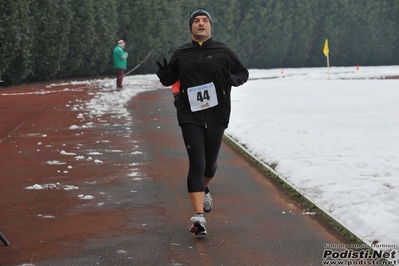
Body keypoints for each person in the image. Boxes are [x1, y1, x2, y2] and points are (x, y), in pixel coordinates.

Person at [156, 8, 249, 235]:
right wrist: (166, 77)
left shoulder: (223, 50)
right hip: (190, 114)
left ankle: (205, 187)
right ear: (191, 27)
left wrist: (235, 79)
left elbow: (243, 72)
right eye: (196, 21)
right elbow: (172, 78)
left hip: (217, 114)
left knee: (209, 165)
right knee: (196, 163)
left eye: (204, 20)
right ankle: (199, 217)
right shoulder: (182, 53)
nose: (200, 23)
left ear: (210, 26)